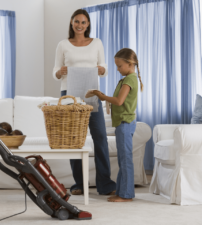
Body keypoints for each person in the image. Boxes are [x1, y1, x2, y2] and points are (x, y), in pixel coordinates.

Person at [52, 9, 116, 195]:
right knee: (74, 140)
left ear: (88, 25)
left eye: (83, 22)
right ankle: (79, 184)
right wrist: (59, 72)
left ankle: (104, 183)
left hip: (92, 92)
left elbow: (104, 67)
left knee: (100, 137)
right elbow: (55, 70)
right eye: (77, 22)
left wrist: (100, 70)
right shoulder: (63, 44)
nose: (80, 25)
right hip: (69, 94)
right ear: (72, 23)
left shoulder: (97, 43)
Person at [89, 48, 144, 202]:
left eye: (120, 66)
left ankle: (126, 195)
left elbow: (119, 101)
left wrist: (102, 96)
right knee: (123, 158)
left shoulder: (129, 80)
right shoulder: (129, 79)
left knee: (125, 159)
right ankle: (121, 192)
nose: (118, 69)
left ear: (130, 64)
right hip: (124, 122)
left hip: (125, 123)